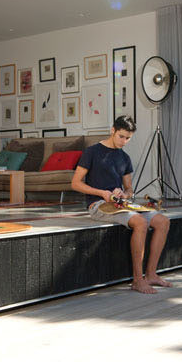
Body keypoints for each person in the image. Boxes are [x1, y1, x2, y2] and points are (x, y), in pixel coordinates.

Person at [71, 118, 171, 295]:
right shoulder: (92, 152)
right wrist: (102, 193)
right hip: (98, 204)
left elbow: (129, 188)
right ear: (112, 130)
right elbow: (75, 183)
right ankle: (137, 280)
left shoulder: (125, 157)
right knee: (140, 222)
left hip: (121, 204)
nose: (124, 141)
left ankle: (151, 275)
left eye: (128, 138)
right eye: (121, 136)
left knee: (163, 221)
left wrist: (125, 194)